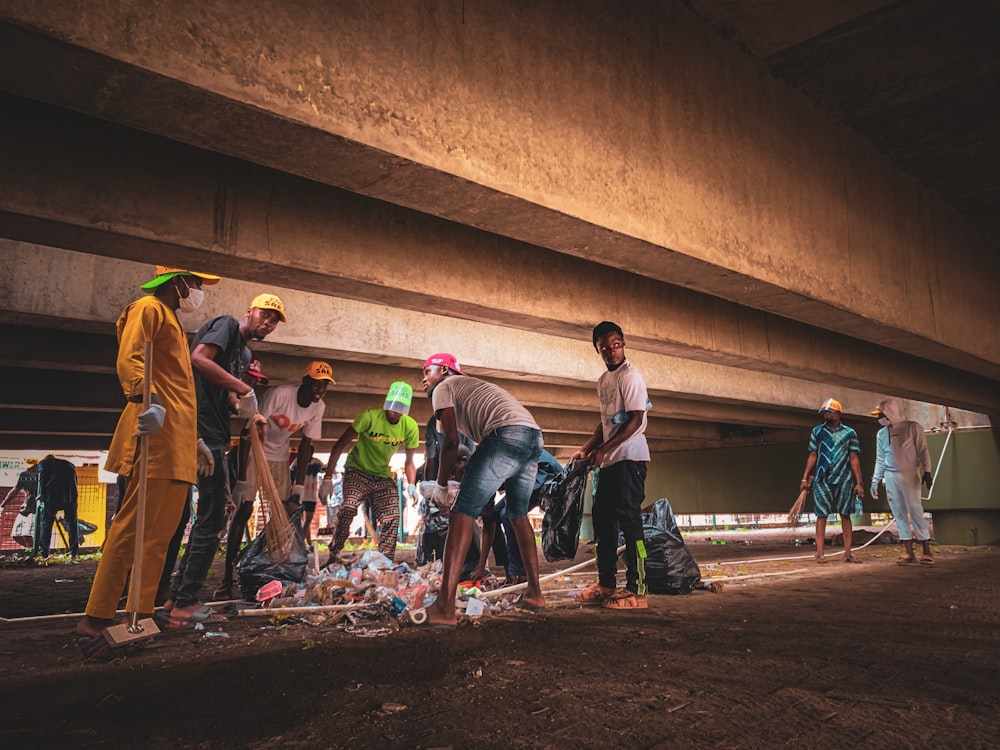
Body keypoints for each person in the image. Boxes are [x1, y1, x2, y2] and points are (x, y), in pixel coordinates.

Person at [77, 265, 220, 641]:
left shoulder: (172, 320)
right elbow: (133, 360)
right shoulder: (149, 308)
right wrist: (148, 401)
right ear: (177, 282)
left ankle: (140, 613)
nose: (199, 291)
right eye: (196, 283)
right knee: (132, 528)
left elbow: (178, 390)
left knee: (159, 535)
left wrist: (194, 440)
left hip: (175, 443)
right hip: (155, 439)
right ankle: (97, 615)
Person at [166, 295, 285, 625]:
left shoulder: (244, 353)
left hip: (216, 433)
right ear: (250, 311)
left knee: (210, 517)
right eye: (265, 314)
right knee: (213, 518)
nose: (268, 323)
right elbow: (199, 359)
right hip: (200, 430)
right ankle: (185, 600)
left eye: (275, 320)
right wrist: (243, 390)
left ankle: (176, 598)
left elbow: (228, 395)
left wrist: (250, 411)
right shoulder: (228, 326)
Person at [420, 353, 545, 627]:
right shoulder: (473, 389)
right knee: (517, 514)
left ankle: (444, 606)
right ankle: (535, 594)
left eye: (426, 371)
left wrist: (441, 486)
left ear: (443, 370)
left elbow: (450, 442)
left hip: (506, 433)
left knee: (461, 512)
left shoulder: (444, 388)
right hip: (533, 435)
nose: (423, 379)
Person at [572, 321, 652, 610]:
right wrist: (587, 448)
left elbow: (635, 419)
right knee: (604, 522)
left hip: (630, 459)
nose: (611, 350)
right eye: (604, 347)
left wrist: (604, 449)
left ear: (623, 343)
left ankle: (638, 589)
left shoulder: (630, 377)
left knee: (630, 522)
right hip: (610, 462)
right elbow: (605, 423)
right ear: (597, 349)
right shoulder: (604, 380)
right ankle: (607, 584)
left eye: (616, 344)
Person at [323, 381, 419, 562]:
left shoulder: (410, 426)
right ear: (387, 402)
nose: (395, 411)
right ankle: (334, 551)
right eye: (393, 405)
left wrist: (412, 485)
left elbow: (409, 461)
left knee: (392, 516)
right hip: (357, 470)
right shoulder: (368, 417)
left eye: (401, 407)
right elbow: (341, 443)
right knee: (349, 507)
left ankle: (385, 560)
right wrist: (328, 477)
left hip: (382, 475)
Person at [215, 359, 271, 599]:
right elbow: (241, 438)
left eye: (255, 381)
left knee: (243, 514)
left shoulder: (250, 405)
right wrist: (239, 479)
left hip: (242, 465)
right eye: (249, 378)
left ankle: (229, 577)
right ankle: (224, 577)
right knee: (218, 520)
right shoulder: (224, 394)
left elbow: (249, 438)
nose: (251, 384)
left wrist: (243, 479)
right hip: (223, 458)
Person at [258, 360, 334, 505]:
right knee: (246, 504)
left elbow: (306, 445)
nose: (320, 389)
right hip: (256, 451)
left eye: (324, 385)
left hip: (279, 455)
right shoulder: (279, 394)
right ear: (304, 381)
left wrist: (299, 485)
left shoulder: (318, 407)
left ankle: (273, 529)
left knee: (282, 507)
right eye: (316, 383)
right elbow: (254, 426)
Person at [799, 398, 865, 564]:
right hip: (822, 479)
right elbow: (813, 455)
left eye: (830, 411)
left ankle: (848, 553)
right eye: (824, 412)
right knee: (821, 515)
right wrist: (804, 477)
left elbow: (854, 458)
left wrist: (859, 483)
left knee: (845, 515)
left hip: (844, 479)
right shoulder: (817, 432)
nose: (826, 414)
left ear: (838, 413)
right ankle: (820, 553)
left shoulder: (850, 433)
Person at [869, 399, 935, 564]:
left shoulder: (913, 427)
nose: (879, 418)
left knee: (915, 509)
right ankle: (908, 552)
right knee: (898, 512)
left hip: (910, 473)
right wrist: (875, 480)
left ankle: (926, 550)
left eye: (881, 415)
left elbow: (922, 449)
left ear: (890, 413)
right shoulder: (881, 434)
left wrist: (927, 471)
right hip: (891, 476)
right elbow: (880, 458)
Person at [34, 454, 80, 558]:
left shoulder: (43, 463)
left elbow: (42, 479)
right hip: (70, 495)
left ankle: (44, 552)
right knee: (72, 523)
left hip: (52, 495)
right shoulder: (69, 465)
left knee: (46, 523)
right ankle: (73, 552)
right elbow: (76, 481)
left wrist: (40, 494)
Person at [2, 462, 39, 549]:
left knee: (27, 535)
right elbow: (15, 490)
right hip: (25, 509)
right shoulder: (24, 475)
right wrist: (3, 505)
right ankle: (31, 550)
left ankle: (32, 553)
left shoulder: (43, 477)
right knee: (16, 535)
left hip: (35, 510)